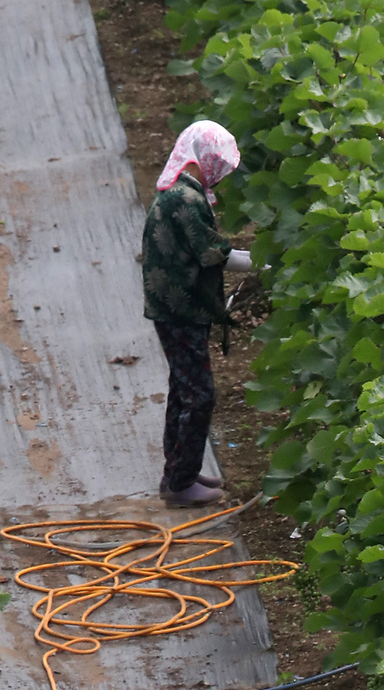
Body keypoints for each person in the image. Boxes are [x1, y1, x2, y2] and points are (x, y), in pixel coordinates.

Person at [141, 120, 252, 507]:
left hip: (173, 307)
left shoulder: (176, 190)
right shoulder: (184, 201)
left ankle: (177, 473)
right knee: (200, 396)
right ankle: (180, 483)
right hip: (181, 310)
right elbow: (213, 253)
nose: (219, 176)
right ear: (207, 159)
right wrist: (263, 262)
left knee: (182, 390)